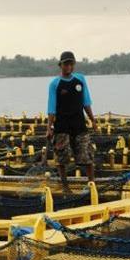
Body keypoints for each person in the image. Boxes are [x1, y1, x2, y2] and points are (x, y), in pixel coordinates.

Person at [46, 51, 97, 190]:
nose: (68, 66)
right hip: (62, 125)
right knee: (62, 157)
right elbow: (51, 108)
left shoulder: (80, 79)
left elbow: (86, 102)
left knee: (87, 155)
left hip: (79, 123)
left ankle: (91, 184)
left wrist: (93, 120)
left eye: (71, 63)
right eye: (65, 64)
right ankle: (65, 186)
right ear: (60, 65)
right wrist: (49, 127)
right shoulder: (55, 84)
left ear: (73, 65)